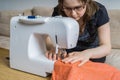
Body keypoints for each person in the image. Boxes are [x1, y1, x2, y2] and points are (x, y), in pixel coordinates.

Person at [45, 0, 111, 66]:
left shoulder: (99, 11)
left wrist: (87, 53)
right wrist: (54, 47)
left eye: (78, 8)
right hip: (68, 53)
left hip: (93, 53)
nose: (73, 14)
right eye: (68, 8)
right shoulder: (59, 11)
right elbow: (48, 37)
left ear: (87, 2)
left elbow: (106, 47)